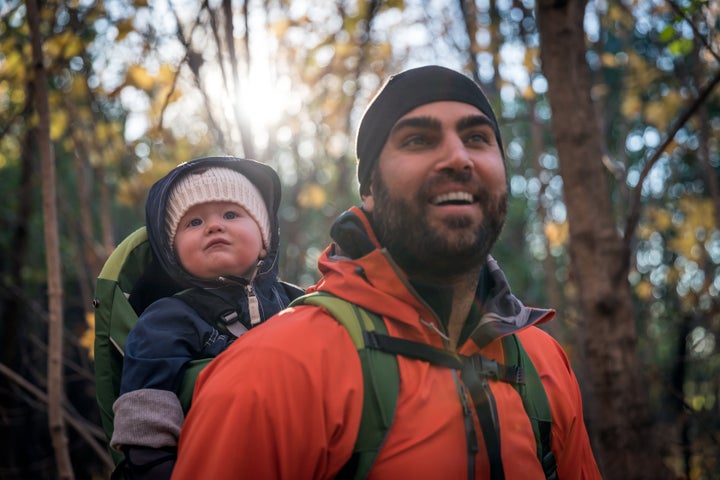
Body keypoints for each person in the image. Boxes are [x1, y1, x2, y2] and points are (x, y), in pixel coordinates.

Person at [172, 66, 601, 479]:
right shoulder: (273, 371)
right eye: (418, 140)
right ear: (370, 189)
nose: (457, 157)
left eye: (476, 137)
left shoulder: (541, 362)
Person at [110, 156, 304, 479]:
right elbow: (145, 413)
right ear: (173, 254)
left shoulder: (298, 303)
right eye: (194, 223)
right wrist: (156, 467)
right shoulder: (166, 319)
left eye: (231, 214)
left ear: (264, 239)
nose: (214, 226)